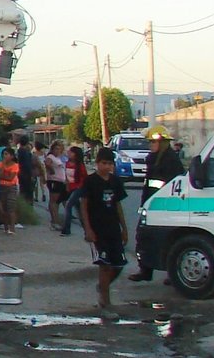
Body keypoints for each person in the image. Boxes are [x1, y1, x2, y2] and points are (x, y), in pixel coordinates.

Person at [130, 124, 186, 281]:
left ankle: (172, 274)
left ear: (161, 143)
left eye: (153, 142)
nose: (150, 145)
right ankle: (145, 270)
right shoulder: (153, 159)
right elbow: (149, 185)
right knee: (144, 238)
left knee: (166, 239)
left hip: (165, 206)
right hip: (151, 203)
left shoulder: (170, 160)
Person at [82, 147, 128, 317]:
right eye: (103, 163)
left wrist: (124, 228)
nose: (106, 166)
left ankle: (103, 286)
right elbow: (84, 205)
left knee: (119, 264)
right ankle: (105, 302)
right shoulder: (90, 181)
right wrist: (88, 228)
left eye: (109, 163)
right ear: (97, 163)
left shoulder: (115, 182)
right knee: (104, 265)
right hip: (97, 229)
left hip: (113, 228)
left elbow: (118, 204)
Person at [61, 145, 88, 236]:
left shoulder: (80, 165)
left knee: (68, 205)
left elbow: (84, 178)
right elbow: (67, 176)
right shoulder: (67, 163)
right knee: (79, 209)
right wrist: (67, 185)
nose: (69, 153)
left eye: (71, 152)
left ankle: (66, 229)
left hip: (79, 188)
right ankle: (86, 228)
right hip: (71, 188)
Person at [0, 148, 21, 235]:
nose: (5, 156)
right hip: (2, 187)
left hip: (11, 187)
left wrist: (2, 176)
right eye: (4, 154)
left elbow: (11, 178)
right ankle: (6, 227)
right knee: (4, 207)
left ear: (12, 156)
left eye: (7, 154)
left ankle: (12, 228)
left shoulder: (15, 165)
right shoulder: (0, 164)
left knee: (11, 207)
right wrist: (3, 165)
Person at [45, 141, 68, 231]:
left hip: (60, 181)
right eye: (56, 149)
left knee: (57, 201)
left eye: (59, 149)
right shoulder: (51, 157)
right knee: (53, 201)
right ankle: (54, 221)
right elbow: (47, 163)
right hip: (54, 180)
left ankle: (56, 220)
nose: (58, 151)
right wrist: (51, 170)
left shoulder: (58, 158)